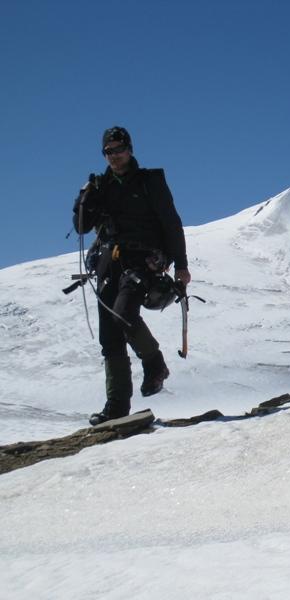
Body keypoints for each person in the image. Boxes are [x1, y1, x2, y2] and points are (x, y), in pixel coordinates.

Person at [72, 126, 191, 425]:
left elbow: (171, 223)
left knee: (123, 313)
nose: (114, 156)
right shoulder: (99, 186)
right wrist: (83, 201)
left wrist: (181, 265)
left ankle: (154, 363)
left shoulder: (150, 182)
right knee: (109, 337)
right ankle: (116, 408)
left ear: (130, 149)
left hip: (143, 261)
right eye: (108, 151)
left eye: (119, 149)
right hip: (108, 263)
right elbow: (82, 227)